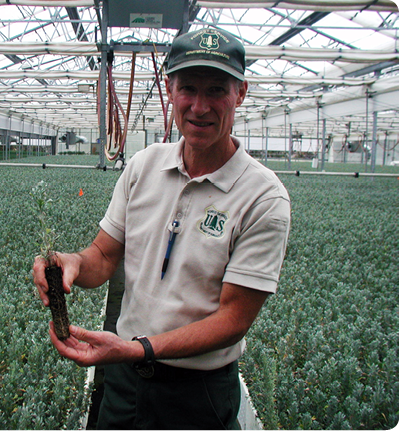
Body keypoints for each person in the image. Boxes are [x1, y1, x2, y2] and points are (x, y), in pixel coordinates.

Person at [33, 28, 291, 431]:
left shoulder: (263, 198)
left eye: (217, 90)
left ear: (240, 93)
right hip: (124, 384)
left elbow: (233, 320)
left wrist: (139, 350)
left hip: (197, 393)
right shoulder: (143, 165)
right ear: (169, 89)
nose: (200, 106)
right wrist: (70, 265)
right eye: (188, 88)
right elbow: (102, 256)